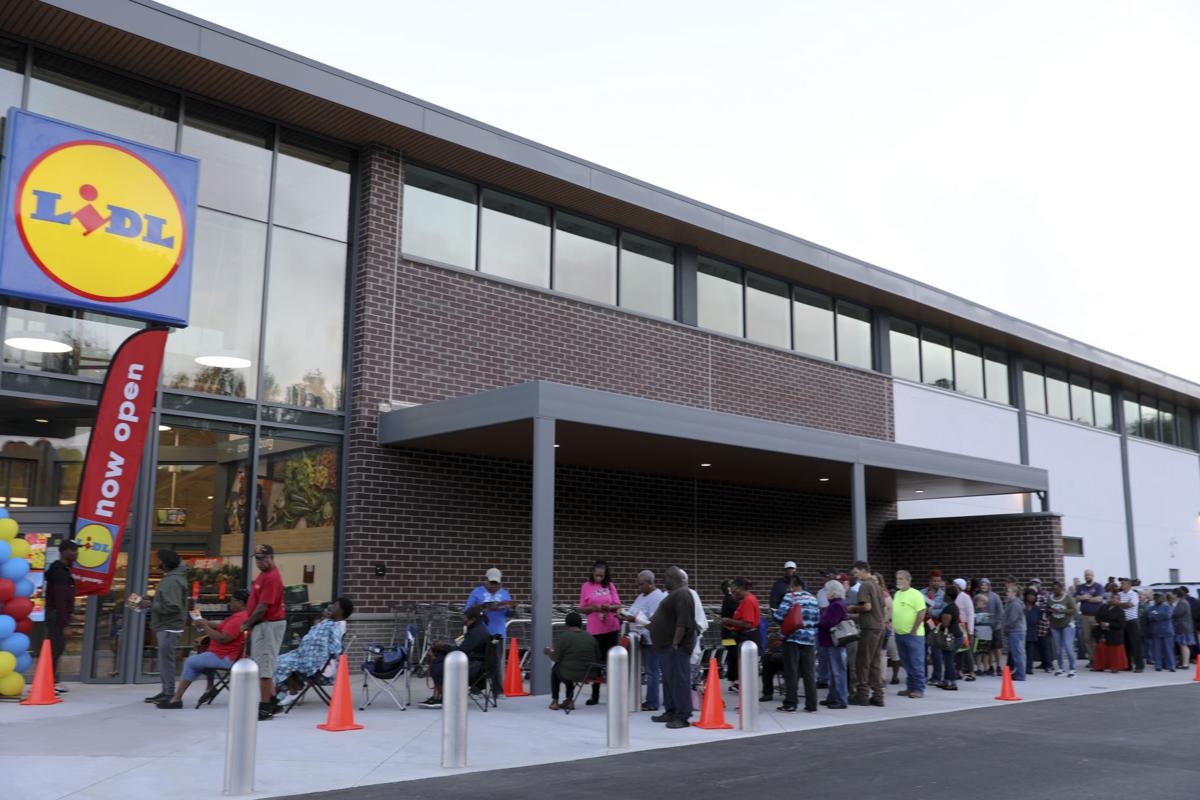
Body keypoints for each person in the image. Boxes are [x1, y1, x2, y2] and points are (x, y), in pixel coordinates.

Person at [156, 590, 250, 709]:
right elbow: (221, 625)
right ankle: (209, 687)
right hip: (225, 654)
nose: (230, 603)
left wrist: (205, 627)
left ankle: (176, 698)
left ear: (241, 602)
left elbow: (223, 638)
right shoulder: (241, 616)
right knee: (201, 656)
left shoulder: (238, 618)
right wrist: (206, 623)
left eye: (232, 600)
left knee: (192, 661)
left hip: (227, 657)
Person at [273, 597, 354, 708]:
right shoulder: (329, 621)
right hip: (303, 656)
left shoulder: (337, 626)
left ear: (341, 611)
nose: (331, 608)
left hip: (315, 661)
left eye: (335, 606)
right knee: (276, 661)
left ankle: (293, 691)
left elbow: (336, 648)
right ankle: (293, 688)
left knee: (278, 663)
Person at [241, 543, 287, 720]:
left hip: (269, 624)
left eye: (262, 559)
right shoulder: (264, 575)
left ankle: (265, 706)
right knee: (262, 662)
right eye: (257, 559)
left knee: (264, 667)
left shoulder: (272, 578)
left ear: (271, 557)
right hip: (263, 624)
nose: (259, 562)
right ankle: (274, 701)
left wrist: (247, 623)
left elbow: (263, 607)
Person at [649, 566, 697, 729]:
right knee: (669, 682)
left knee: (679, 681)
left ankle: (682, 716)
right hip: (666, 647)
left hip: (675, 647)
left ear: (676, 578)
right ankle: (671, 711)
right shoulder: (673, 595)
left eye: (667, 576)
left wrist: (676, 642)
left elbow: (683, 621)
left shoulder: (683, 593)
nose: (664, 579)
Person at [422, 605, 492, 707]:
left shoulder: (476, 632)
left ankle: (443, 697)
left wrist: (442, 646)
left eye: (466, 619)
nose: (464, 621)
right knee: (439, 656)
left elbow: (461, 651)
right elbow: (463, 649)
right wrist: (441, 648)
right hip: (476, 663)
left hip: (475, 667)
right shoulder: (478, 628)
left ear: (473, 619)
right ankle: (438, 696)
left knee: (438, 665)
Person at [142, 549, 188, 706]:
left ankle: (169, 693)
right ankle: (166, 691)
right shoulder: (172, 578)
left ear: (165, 562)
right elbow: (170, 602)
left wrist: (151, 604)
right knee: (164, 660)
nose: (157, 563)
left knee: (166, 661)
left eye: (159, 560)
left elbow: (173, 606)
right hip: (167, 625)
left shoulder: (172, 581)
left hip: (169, 627)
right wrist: (154, 600)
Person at [618, 570, 666, 711]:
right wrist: (624, 615)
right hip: (639, 638)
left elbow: (653, 620)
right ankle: (644, 699)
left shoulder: (657, 597)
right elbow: (634, 612)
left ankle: (652, 702)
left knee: (652, 671)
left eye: (641, 584)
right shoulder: (641, 596)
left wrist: (633, 619)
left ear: (651, 583)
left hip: (651, 639)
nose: (639, 587)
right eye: (638, 584)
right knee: (646, 670)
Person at [772, 574, 819, 712]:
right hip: (809, 640)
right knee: (809, 672)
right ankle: (811, 704)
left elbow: (779, 616)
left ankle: (791, 703)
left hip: (792, 639)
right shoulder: (813, 599)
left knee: (791, 672)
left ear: (793, 585)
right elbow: (817, 621)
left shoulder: (790, 597)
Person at [578, 560, 621, 706]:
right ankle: (594, 695)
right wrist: (594, 608)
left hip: (611, 627)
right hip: (595, 629)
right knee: (596, 661)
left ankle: (614, 695)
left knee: (611, 661)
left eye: (601, 576)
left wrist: (608, 607)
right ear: (592, 573)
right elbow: (582, 608)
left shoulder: (610, 586)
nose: (598, 578)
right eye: (596, 575)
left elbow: (618, 605)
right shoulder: (586, 586)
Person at [847, 560, 885, 707]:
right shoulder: (877, 585)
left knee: (862, 661)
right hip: (880, 626)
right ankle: (878, 695)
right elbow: (878, 607)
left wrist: (852, 608)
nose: (855, 576)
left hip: (869, 628)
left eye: (856, 573)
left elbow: (867, 607)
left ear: (863, 570)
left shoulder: (865, 585)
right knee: (875, 662)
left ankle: (862, 694)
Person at [545, 611, 599, 711]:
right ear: (580, 623)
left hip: (570, 673)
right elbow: (597, 656)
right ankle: (569, 701)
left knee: (556, 669)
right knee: (567, 668)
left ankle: (555, 701)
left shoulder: (565, 637)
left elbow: (555, 658)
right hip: (589, 673)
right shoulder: (590, 637)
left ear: (566, 624)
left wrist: (548, 651)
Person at [43, 538, 78, 693]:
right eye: (73, 550)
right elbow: (60, 600)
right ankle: (48, 683)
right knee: (55, 649)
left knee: (57, 648)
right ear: (64, 552)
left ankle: (53, 681)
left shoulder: (62, 570)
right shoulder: (59, 572)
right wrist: (65, 624)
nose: (76, 553)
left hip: (57, 615)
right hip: (57, 616)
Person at [721, 577, 760, 694]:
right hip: (735, 635)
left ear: (740, 589)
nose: (733, 594)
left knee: (739, 663)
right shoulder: (748, 599)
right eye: (731, 592)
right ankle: (735, 683)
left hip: (744, 636)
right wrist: (732, 625)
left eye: (734, 591)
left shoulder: (747, 601)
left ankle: (739, 687)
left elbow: (747, 623)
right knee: (735, 659)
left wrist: (729, 621)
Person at [892, 570, 926, 698]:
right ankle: (910, 687)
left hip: (913, 635)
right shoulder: (897, 594)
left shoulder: (915, 594)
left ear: (908, 580)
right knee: (906, 663)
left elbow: (921, 612)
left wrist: (914, 629)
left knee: (916, 663)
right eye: (897, 578)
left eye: (901, 579)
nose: (898, 581)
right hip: (900, 634)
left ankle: (918, 689)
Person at [816, 579, 849, 709]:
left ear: (832, 591)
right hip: (830, 642)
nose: (825, 593)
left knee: (837, 671)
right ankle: (833, 697)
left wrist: (818, 622)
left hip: (834, 642)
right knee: (833, 671)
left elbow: (830, 622)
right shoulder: (836, 604)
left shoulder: (836, 605)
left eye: (827, 590)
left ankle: (841, 699)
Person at [465, 567, 515, 640]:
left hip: (499, 634)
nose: (494, 586)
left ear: (500, 583)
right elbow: (467, 611)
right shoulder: (477, 592)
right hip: (479, 634)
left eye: (496, 583)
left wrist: (512, 608)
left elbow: (509, 614)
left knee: (498, 651)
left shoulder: (505, 593)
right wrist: (481, 607)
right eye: (492, 582)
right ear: (486, 580)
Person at [933, 583, 963, 690]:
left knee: (949, 660)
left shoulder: (949, 609)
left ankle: (953, 683)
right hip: (957, 636)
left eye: (945, 594)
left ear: (949, 596)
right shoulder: (954, 607)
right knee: (948, 658)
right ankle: (946, 681)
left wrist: (936, 622)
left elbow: (945, 624)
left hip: (952, 637)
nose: (944, 596)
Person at [874, 571, 901, 686]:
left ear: (880, 582)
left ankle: (882, 678)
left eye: (875, 580)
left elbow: (889, 612)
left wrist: (884, 621)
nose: (873, 583)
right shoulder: (871, 593)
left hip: (885, 627)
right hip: (875, 627)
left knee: (883, 654)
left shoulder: (885, 596)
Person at [1074, 569, 1105, 664]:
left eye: (1089, 575)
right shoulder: (1081, 587)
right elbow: (1074, 599)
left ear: (1093, 576)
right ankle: (1092, 660)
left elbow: (1099, 599)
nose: (1088, 576)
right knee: (1087, 638)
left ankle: (1100, 659)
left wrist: (1088, 599)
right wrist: (1082, 598)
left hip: (1096, 616)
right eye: (1086, 575)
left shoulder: (1098, 586)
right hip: (1084, 616)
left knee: (1096, 638)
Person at [1046, 580, 1078, 676]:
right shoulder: (1050, 598)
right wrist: (1049, 611)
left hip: (1067, 625)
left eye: (1056, 588)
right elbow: (1047, 609)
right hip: (1055, 626)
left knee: (1068, 647)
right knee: (1058, 649)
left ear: (1061, 588)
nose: (1054, 590)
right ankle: (1061, 668)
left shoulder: (1067, 597)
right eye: (1053, 589)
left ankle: (1073, 669)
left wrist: (1062, 610)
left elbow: (1074, 610)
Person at [1092, 590, 1128, 673]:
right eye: (1113, 598)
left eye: (1117, 599)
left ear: (1119, 601)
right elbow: (1097, 616)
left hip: (1114, 633)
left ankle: (1115, 667)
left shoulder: (1120, 611)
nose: (1114, 600)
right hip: (1102, 631)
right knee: (1101, 648)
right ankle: (1099, 666)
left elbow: (1121, 624)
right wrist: (1100, 623)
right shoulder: (1103, 607)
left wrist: (1108, 624)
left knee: (1114, 651)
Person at [922, 571, 946, 684]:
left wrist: (932, 611)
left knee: (936, 651)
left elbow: (944, 610)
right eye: (934, 580)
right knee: (923, 651)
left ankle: (936, 677)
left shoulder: (943, 595)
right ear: (930, 581)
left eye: (939, 580)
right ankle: (923, 676)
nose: (937, 583)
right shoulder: (921, 593)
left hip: (936, 625)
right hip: (922, 624)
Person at [977, 578, 1005, 674]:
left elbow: (1000, 611)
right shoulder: (977, 597)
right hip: (982, 627)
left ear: (989, 586)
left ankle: (998, 666)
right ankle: (990, 666)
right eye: (982, 584)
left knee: (997, 647)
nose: (984, 586)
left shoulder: (995, 596)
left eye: (986, 585)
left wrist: (996, 622)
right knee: (987, 648)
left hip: (995, 626)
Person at [1117, 578, 1144, 672]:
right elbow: (1114, 603)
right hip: (1123, 621)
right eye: (1121, 583)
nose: (1121, 585)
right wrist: (1121, 604)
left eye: (1123, 583)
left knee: (1135, 644)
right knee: (1125, 644)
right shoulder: (1120, 594)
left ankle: (1139, 666)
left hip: (1132, 621)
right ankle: (1127, 665)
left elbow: (1130, 605)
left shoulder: (1134, 594)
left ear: (1128, 585)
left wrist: (1119, 604)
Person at [1002, 581, 1027, 680]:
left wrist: (1004, 626)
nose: (1007, 593)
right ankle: (1019, 672)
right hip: (1016, 631)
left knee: (1017, 653)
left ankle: (1020, 674)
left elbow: (1012, 619)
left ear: (1014, 593)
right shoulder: (1012, 603)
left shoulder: (1015, 604)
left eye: (1008, 591)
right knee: (1017, 653)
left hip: (1016, 631)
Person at [952, 578, 976, 681]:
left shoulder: (965, 597)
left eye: (954, 584)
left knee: (966, 649)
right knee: (958, 649)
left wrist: (970, 630)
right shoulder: (954, 596)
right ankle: (958, 670)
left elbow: (970, 614)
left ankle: (971, 671)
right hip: (956, 625)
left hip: (963, 625)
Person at [1146, 593, 1176, 672]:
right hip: (1156, 632)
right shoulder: (1151, 608)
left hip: (1167, 631)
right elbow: (1149, 617)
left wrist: (1156, 615)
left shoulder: (1167, 607)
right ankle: (1158, 665)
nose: (1157, 599)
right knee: (1157, 650)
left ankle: (1171, 665)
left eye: (1159, 597)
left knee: (1168, 650)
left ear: (1162, 598)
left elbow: (1167, 616)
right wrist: (1159, 616)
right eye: (1155, 597)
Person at [719, 580, 740, 683]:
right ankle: (735, 681)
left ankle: (732, 680)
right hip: (730, 634)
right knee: (735, 655)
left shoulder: (726, 599)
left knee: (732, 656)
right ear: (728, 589)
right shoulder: (731, 600)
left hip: (726, 635)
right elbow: (739, 609)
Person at [1172, 589, 1195, 668]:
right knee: (1183, 645)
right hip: (1183, 627)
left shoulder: (1182, 603)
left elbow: (1176, 613)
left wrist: (1172, 608)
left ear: (1176, 595)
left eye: (1173, 594)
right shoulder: (1182, 602)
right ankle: (1184, 663)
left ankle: (1185, 664)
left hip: (1183, 627)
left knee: (1183, 645)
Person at [973, 592, 994, 676]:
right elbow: (974, 622)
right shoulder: (974, 612)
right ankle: (978, 668)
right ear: (977, 602)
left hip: (987, 635)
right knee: (978, 652)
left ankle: (985, 668)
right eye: (982, 602)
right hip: (978, 635)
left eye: (985, 603)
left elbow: (991, 623)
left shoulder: (987, 613)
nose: (984, 605)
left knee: (986, 653)